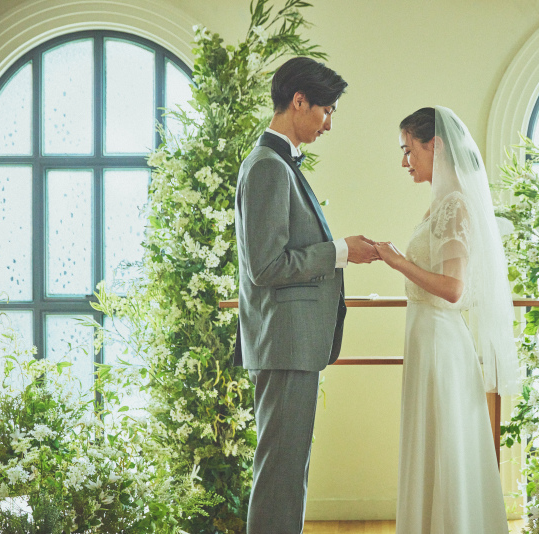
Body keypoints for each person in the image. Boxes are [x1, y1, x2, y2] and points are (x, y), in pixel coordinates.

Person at [234, 56, 378, 534]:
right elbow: (265, 267)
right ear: (299, 101)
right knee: (281, 472)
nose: (329, 123)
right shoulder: (268, 167)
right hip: (285, 342)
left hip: (288, 343)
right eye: (326, 110)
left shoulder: (275, 163)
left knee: (286, 469)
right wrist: (340, 252)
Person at [374, 106, 518, 533]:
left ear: (434, 145)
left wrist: (398, 262)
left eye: (408, 150)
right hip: (427, 338)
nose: (405, 161)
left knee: (443, 445)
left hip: (440, 341)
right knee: (434, 443)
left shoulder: (455, 206)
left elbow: (453, 288)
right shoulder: (442, 203)